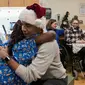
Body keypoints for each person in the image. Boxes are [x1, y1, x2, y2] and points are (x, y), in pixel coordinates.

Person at [0, 3, 67, 85]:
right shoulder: (28, 37)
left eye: (28, 25)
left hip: (53, 79)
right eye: (22, 24)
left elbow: (29, 76)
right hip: (35, 77)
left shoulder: (48, 44)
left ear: (39, 27)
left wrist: (6, 57)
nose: (23, 29)